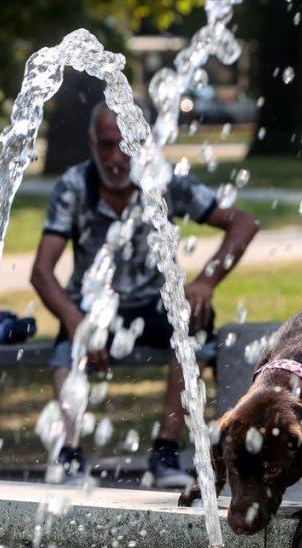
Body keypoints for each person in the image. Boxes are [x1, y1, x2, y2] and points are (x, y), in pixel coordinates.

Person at [31, 103, 258, 488]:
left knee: (193, 325)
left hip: (155, 303)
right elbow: (41, 272)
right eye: (106, 146)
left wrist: (205, 280)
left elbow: (243, 223)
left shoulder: (164, 181)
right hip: (93, 307)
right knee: (69, 346)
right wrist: (76, 323)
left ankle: (165, 452)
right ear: (91, 144)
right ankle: (69, 457)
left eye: (128, 145)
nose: (117, 158)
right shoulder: (74, 186)